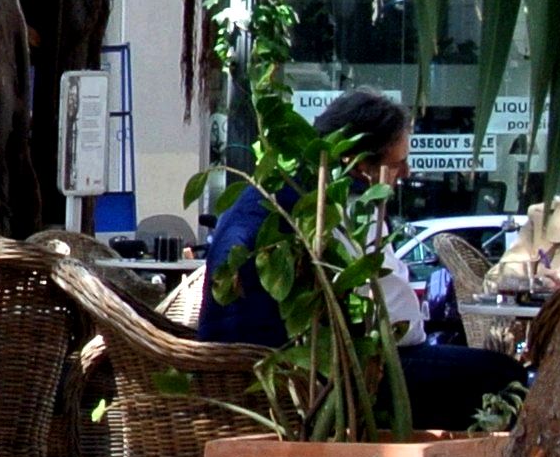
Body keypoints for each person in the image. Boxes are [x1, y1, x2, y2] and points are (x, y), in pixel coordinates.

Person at [202, 87, 522, 433]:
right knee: (505, 378)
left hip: (245, 368)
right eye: (397, 163)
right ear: (356, 163)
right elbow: (398, 322)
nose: (408, 172)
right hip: (309, 377)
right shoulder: (339, 207)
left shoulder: (272, 190)